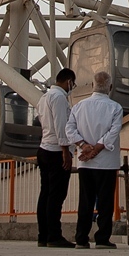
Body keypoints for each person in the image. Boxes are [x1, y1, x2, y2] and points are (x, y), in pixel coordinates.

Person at [67, 70, 124, 249]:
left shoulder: (78, 106)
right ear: (110, 87)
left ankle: (82, 238)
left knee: (86, 200)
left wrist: (84, 146)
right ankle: (102, 238)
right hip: (107, 163)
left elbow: (69, 129)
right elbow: (113, 132)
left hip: (85, 163)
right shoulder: (115, 107)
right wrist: (98, 147)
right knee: (106, 202)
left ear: (93, 86)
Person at [37, 67, 77, 248]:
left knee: (45, 194)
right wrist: (65, 151)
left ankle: (43, 235)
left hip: (44, 148)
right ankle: (54, 235)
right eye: (72, 84)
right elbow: (61, 125)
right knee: (56, 195)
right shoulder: (60, 98)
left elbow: (42, 120)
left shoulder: (44, 97)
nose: (72, 88)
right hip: (56, 151)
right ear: (68, 81)